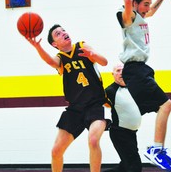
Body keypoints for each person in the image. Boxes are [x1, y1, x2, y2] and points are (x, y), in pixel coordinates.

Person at [108, 0, 171, 171]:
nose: (148, 8)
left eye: (149, 4)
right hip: (135, 70)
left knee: (151, 111)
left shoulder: (141, 16)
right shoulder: (128, 17)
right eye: (145, 4)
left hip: (142, 70)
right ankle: (156, 151)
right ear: (134, 3)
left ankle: (146, 149)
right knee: (166, 105)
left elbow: (154, 11)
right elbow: (126, 1)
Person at [27, 24, 110, 172]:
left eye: (63, 30)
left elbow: (104, 62)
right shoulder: (60, 59)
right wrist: (37, 47)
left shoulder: (82, 46)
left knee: (93, 140)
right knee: (56, 151)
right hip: (75, 109)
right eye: (58, 34)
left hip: (96, 104)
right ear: (55, 44)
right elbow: (51, 62)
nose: (63, 33)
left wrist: (93, 55)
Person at [104, 63, 142, 172]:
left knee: (124, 166)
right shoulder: (110, 91)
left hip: (132, 133)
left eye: (123, 70)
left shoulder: (132, 88)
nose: (121, 73)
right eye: (118, 70)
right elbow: (100, 105)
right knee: (134, 165)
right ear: (113, 74)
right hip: (119, 133)